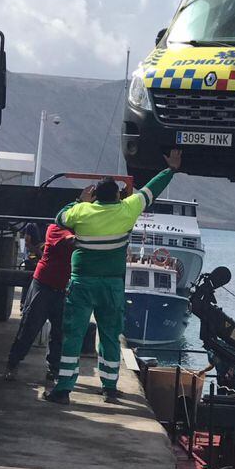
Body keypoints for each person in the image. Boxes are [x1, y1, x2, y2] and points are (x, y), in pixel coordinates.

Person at [43, 148, 182, 405]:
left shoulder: (82, 212)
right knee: (110, 334)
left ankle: (63, 389)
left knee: (73, 334)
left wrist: (79, 200)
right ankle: (109, 388)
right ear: (118, 195)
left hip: (82, 282)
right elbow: (151, 190)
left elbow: (59, 218)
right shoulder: (127, 210)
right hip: (112, 285)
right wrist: (170, 169)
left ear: (94, 196)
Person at [4, 222, 75, 383]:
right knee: (29, 327)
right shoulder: (56, 229)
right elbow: (72, 240)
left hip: (62, 288)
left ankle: (53, 369)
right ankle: (12, 364)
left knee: (59, 332)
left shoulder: (79, 230)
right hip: (43, 285)